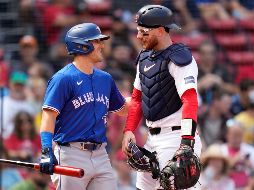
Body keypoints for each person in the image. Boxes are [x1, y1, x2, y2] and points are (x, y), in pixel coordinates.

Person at [39, 23, 130, 190]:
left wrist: (144, 94)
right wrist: (46, 149)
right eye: (97, 41)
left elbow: (123, 109)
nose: (102, 45)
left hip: (101, 154)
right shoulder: (63, 78)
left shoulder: (105, 78)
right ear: (82, 45)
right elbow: (48, 116)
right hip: (71, 153)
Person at [122, 5, 202, 190]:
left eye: (144, 32)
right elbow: (136, 99)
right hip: (152, 139)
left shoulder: (180, 58)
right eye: (138, 31)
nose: (138, 36)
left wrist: (186, 143)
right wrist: (129, 130)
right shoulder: (143, 58)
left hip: (177, 139)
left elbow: (190, 99)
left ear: (160, 30)